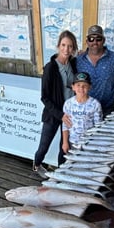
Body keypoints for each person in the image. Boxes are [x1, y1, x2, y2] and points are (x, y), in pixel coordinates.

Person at [33, 30, 78, 178]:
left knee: (64, 147)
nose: (66, 49)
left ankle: (60, 174)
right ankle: (37, 165)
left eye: (70, 46)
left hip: (69, 114)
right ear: (58, 46)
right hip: (54, 114)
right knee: (44, 146)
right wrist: (60, 114)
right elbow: (44, 97)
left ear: (74, 48)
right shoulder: (50, 68)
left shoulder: (73, 63)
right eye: (63, 45)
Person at [62, 72, 102, 154]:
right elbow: (65, 125)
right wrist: (65, 142)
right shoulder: (68, 103)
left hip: (90, 143)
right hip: (73, 142)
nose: (81, 88)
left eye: (85, 85)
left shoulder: (95, 104)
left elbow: (98, 127)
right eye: (78, 85)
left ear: (90, 87)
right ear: (73, 87)